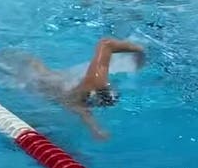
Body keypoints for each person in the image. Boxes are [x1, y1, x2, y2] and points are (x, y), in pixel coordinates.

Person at [14, 37, 146, 140]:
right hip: (51, 83)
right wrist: (139, 49)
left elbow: (85, 114)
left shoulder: (83, 94)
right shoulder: (90, 87)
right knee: (34, 66)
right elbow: (106, 43)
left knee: (37, 70)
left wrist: (96, 129)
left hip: (51, 84)